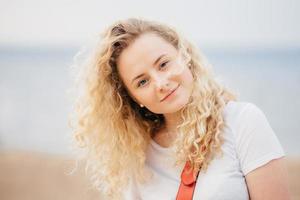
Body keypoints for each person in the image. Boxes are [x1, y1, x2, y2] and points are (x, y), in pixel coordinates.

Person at [71, 18, 290, 200]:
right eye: (142, 82)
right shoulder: (139, 157)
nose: (160, 83)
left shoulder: (242, 122)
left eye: (163, 64)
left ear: (184, 56)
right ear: (133, 98)